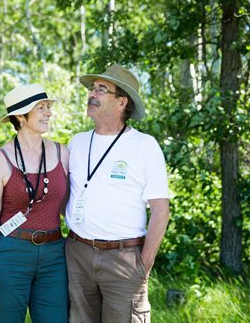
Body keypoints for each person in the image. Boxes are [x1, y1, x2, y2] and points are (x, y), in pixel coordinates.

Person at [65, 63, 171, 322]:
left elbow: (160, 209)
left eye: (101, 89)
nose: (92, 94)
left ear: (122, 102)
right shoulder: (77, 142)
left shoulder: (144, 146)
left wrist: (144, 264)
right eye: (92, 88)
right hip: (77, 253)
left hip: (124, 259)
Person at [0, 84, 69, 323]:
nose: (48, 113)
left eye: (48, 107)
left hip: (55, 256)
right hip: (10, 254)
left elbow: (71, 206)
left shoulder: (63, 153)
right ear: (21, 117)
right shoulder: (1, 160)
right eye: (40, 108)